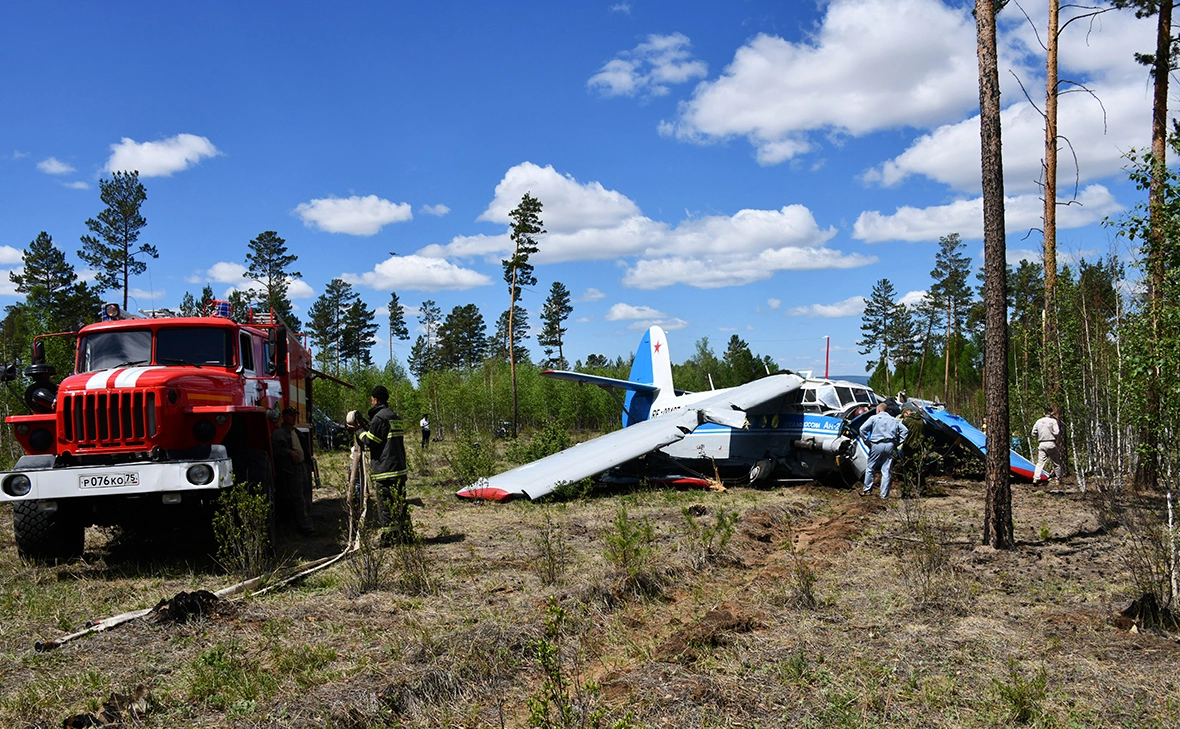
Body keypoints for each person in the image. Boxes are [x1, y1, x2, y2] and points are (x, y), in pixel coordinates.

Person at [353, 385, 411, 542]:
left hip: (386, 470)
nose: (371, 402)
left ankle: (389, 538)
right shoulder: (394, 416)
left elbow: (372, 441)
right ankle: (406, 535)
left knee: (385, 505)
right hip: (399, 468)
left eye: (372, 399)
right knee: (400, 503)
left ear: (376, 399)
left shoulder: (379, 418)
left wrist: (359, 431)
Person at [271, 406, 315, 536]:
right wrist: (289, 452)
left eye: (294, 415)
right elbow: (276, 451)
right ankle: (306, 527)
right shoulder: (280, 433)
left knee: (302, 494)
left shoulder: (296, 432)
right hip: (291, 469)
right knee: (298, 498)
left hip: (301, 467)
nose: (293, 418)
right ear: (283, 417)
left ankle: (302, 522)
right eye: (290, 415)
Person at [858, 402, 910, 498]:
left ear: (878, 410)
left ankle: (867, 490)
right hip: (890, 444)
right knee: (886, 470)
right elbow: (905, 431)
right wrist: (898, 442)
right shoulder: (894, 420)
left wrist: (867, 442)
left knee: (870, 467)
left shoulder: (874, 418)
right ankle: (884, 495)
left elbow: (862, 429)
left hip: (877, 444)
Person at [1032, 407, 1064, 481]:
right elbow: (1057, 432)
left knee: (1040, 463)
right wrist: (1052, 433)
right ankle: (1058, 479)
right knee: (1056, 462)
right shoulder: (1053, 421)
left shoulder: (1038, 421)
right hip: (1051, 443)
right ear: (1051, 413)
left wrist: (1038, 436)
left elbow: (1033, 433)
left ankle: (1036, 478)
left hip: (1041, 444)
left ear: (1044, 413)